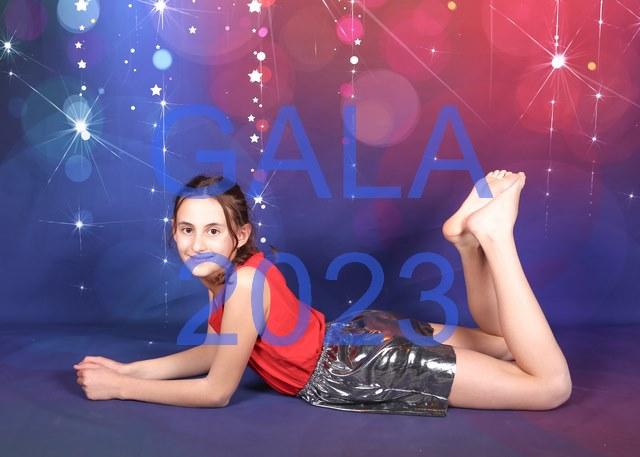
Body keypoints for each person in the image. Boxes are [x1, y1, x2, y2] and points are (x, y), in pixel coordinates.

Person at [74, 170, 572, 415]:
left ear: (239, 235)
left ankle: (495, 237)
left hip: (362, 367)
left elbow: (217, 390)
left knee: (550, 388)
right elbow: (215, 350)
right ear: (174, 231)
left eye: (212, 230)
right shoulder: (225, 274)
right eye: (186, 229)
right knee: (503, 341)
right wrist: (129, 368)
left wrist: (122, 389)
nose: (197, 244)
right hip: (357, 333)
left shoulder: (243, 284)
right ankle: (466, 244)